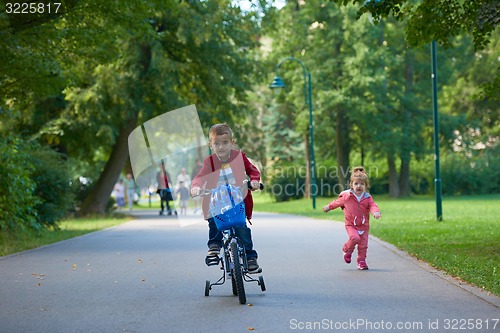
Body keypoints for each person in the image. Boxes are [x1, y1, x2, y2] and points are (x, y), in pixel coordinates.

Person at [190, 123, 262, 272]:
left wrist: (254, 180)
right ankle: (214, 247)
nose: (221, 147)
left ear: (232, 143)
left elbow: (252, 170)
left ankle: (250, 257)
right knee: (214, 221)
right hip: (217, 201)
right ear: (211, 145)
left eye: (225, 143)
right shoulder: (209, 162)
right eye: (216, 143)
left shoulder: (239, 157)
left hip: (237, 200)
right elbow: (200, 176)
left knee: (241, 228)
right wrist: (196, 187)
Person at [323, 166, 381, 270]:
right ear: (351, 185)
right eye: (356, 184)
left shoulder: (367, 197)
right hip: (351, 224)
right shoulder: (347, 196)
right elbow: (337, 202)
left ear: (366, 186)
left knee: (363, 245)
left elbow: (372, 205)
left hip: (364, 226)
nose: (359, 186)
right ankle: (347, 250)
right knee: (355, 238)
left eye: (362, 184)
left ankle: (361, 261)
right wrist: (329, 207)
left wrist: (375, 212)